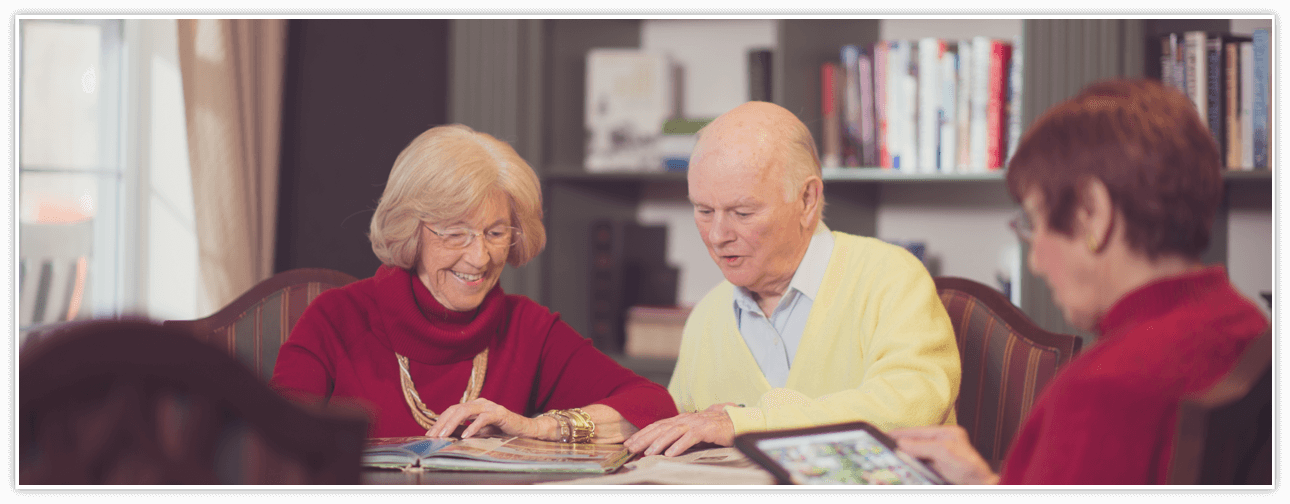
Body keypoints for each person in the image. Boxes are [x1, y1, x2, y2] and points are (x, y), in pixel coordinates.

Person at [888, 79, 1270, 485]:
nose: (1034, 261)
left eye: (1035, 223)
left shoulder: (1101, 393)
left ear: (1093, 214)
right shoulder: (1246, 325)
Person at [270, 124, 678, 441]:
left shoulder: (527, 329)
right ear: (412, 229)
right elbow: (272, 445)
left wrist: (541, 427)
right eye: (455, 232)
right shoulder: (336, 319)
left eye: (496, 233)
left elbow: (653, 405)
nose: (480, 257)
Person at [624, 101, 962, 457]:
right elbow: (678, 437)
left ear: (807, 199)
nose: (718, 234)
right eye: (704, 211)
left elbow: (907, 413)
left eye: (742, 212)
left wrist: (745, 423)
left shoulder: (891, 277)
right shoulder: (706, 316)